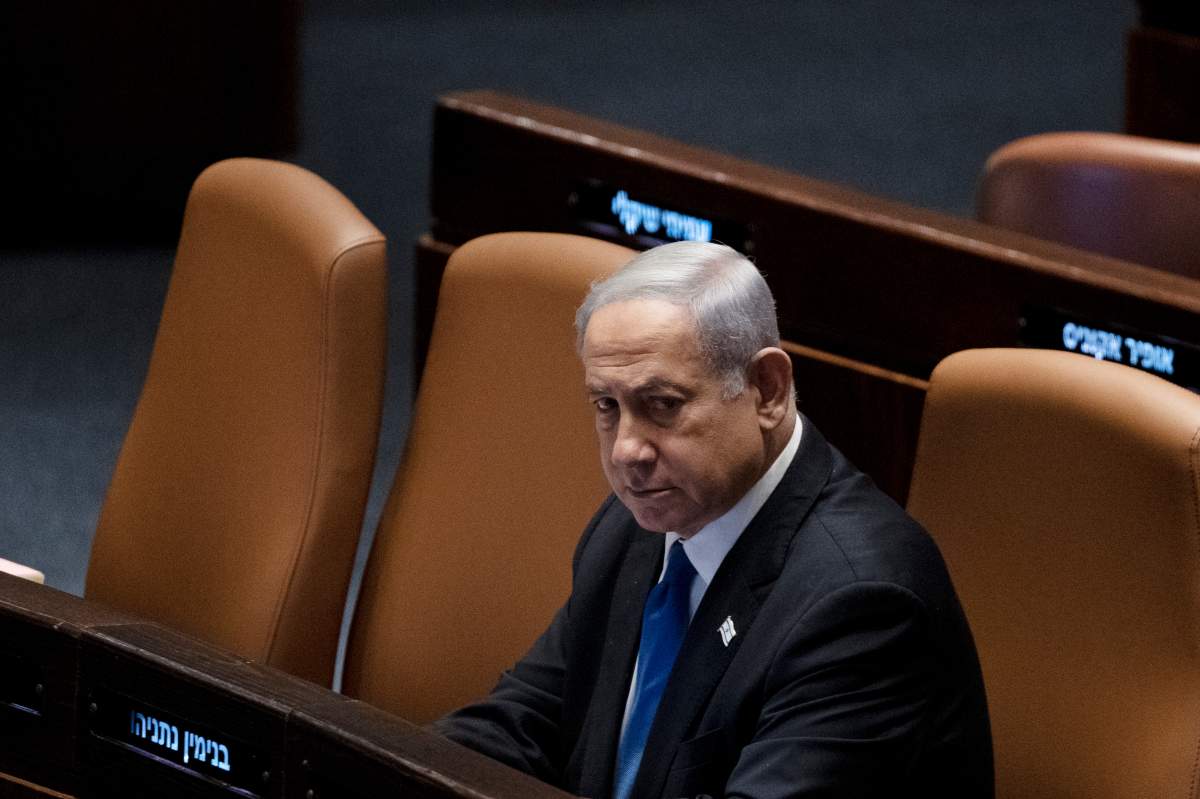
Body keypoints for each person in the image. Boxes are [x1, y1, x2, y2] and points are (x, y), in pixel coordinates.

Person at [433, 241, 993, 798]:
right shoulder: (642, 523)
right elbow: (526, 724)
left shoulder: (861, 603)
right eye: (607, 405)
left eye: (662, 404)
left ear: (767, 391)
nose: (628, 450)